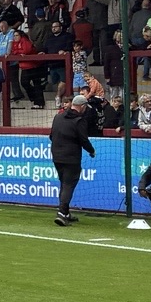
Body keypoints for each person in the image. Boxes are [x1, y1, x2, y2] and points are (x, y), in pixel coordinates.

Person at [48, 93, 94, 228]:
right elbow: (83, 140)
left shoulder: (58, 117)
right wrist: (91, 150)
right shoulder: (79, 120)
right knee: (68, 184)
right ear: (82, 106)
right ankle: (62, 213)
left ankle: (66, 212)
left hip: (57, 155)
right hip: (71, 157)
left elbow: (51, 136)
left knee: (63, 183)